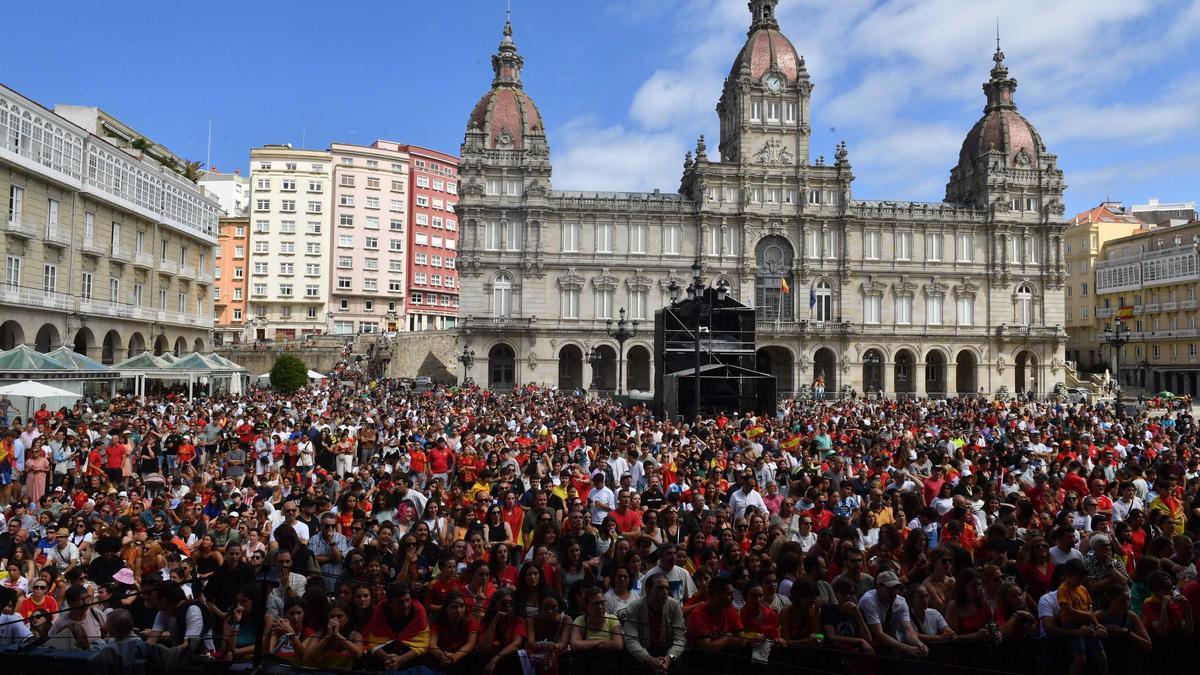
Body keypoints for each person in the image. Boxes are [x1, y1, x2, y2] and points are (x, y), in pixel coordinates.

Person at [622, 572, 687, 674]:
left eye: (666, 588)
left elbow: (680, 639)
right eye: (660, 588)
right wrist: (649, 659)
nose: (665, 592)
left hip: (667, 653)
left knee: (679, 660)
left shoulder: (674, 606)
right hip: (644, 652)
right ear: (648, 590)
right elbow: (631, 640)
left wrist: (669, 658)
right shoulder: (634, 607)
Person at [858, 571, 928, 659]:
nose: (894, 592)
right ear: (878, 587)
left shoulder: (901, 602)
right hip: (870, 645)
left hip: (892, 644)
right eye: (890, 588)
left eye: (896, 588)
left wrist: (919, 644)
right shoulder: (869, 600)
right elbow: (879, 634)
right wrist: (908, 648)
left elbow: (908, 630)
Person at [362, 582, 430, 671]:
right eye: (400, 603)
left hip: (409, 654)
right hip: (387, 653)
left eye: (408, 600)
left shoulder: (419, 610)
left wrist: (400, 660)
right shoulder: (381, 609)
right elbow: (374, 641)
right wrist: (387, 658)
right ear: (390, 603)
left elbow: (422, 644)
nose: (406, 606)